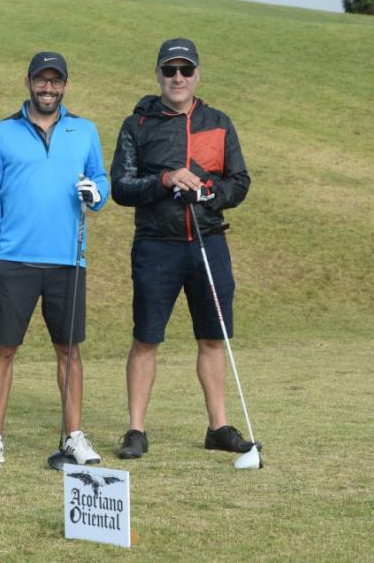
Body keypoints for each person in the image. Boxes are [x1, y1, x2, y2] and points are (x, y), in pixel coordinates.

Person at [109, 38, 257, 460]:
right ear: (157, 74)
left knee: (213, 338)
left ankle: (218, 427)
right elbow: (121, 186)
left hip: (208, 244)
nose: (177, 78)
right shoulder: (137, 125)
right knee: (146, 338)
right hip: (156, 246)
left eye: (185, 70)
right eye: (169, 70)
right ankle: (136, 430)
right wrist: (166, 180)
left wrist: (209, 192)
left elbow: (239, 182)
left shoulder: (219, 122)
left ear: (197, 75)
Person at [0, 52, 110, 470]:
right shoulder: (1, 133)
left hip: (68, 259)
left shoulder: (83, 130)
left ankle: (73, 436)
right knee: (5, 349)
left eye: (55, 81)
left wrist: (97, 195)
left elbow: (101, 181)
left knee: (69, 350)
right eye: (41, 80)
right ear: (29, 81)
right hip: (14, 259)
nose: (47, 88)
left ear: (65, 85)